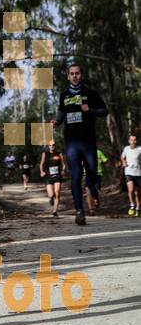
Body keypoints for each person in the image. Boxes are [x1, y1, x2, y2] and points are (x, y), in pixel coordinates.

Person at [51, 63, 108, 226]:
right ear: (68, 76)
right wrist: (57, 122)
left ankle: (91, 187)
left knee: (91, 174)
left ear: (81, 75)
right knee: (75, 176)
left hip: (89, 142)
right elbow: (61, 114)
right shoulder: (64, 95)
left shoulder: (91, 93)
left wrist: (90, 110)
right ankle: (79, 212)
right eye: (71, 74)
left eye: (77, 73)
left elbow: (105, 111)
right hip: (72, 143)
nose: (74, 76)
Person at [40, 141, 65, 216]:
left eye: (53, 145)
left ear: (55, 145)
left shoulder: (59, 154)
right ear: (48, 146)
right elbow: (41, 164)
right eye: (50, 145)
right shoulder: (45, 154)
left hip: (57, 176)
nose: (52, 146)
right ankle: (51, 198)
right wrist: (42, 171)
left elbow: (63, 164)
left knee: (57, 192)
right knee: (51, 194)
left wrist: (63, 170)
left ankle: (55, 211)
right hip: (48, 176)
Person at [121, 134, 141, 217]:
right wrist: (123, 161)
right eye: (132, 140)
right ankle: (132, 205)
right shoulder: (126, 149)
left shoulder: (140, 149)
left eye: (135, 140)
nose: (133, 142)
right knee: (131, 189)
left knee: (138, 193)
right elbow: (122, 156)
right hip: (128, 171)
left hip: (138, 172)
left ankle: (138, 208)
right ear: (129, 141)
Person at [85, 148, 108, 215]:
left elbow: (106, 161)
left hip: (97, 173)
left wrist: (102, 162)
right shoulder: (84, 152)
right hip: (86, 173)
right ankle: (91, 210)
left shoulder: (98, 152)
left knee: (97, 192)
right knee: (88, 192)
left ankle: (96, 198)